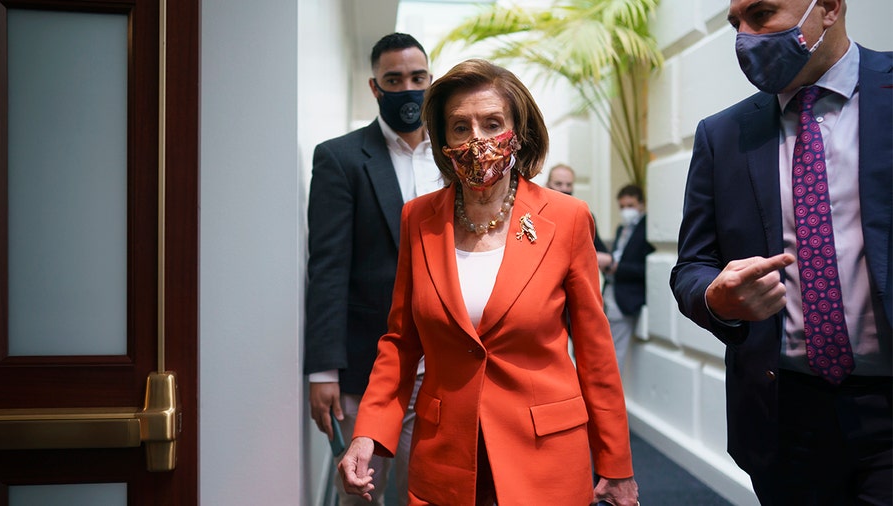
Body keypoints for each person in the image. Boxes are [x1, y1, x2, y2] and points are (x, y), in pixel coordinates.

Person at [338, 59, 638, 506]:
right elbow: (401, 342)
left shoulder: (567, 218)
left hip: (544, 453)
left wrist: (616, 464)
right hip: (446, 454)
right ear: (442, 141)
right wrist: (368, 433)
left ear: (518, 132)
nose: (476, 139)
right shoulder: (419, 219)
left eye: (492, 123)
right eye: (460, 127)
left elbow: (595, 352)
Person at [670, 1, 891, 504]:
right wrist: (715, 298)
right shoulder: (722, 135)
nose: (745, 37)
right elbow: (691, 267)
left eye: (762, 14)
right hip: (784, 416)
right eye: (735, 24)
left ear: (829, 8)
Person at [304, 33, 442, 506]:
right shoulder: (340, 159)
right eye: (394, 79)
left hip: (443, 361)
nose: (408, 88)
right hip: (369, 363)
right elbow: (327, 267)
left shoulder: (453, 155)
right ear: (375, 86)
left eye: (417, 77)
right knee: (362, 492)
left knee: (426, 488)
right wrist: (323, 371)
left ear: (431, 79)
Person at [602, 185, 654, 376]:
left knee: (614, 355)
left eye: (630, 205)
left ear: (641, 204)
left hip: (626, 299)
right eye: (622, 206)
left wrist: (617, 267)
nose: (626, 211)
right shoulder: (621, 229)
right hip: (609, 294)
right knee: (604, 351)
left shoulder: (647, 228)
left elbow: (647, 267)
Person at [545, 163, 612, 265]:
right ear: (547, 185)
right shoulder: (539, 214)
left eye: (569, 185)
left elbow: (603, 255)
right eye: (558, 184)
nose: (564, 189)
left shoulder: (584, 215)